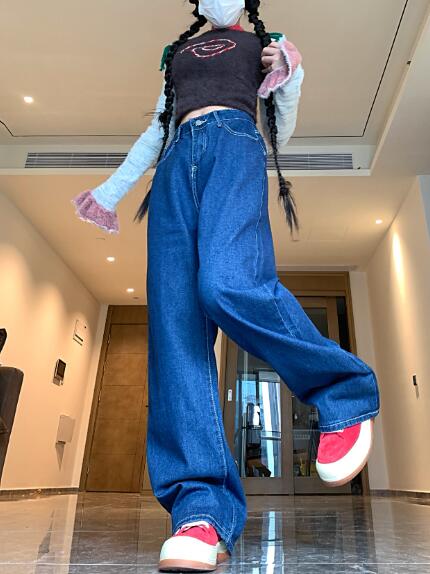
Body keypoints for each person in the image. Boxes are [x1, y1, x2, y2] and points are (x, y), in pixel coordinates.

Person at [71, 1, 380, 571]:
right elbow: (157, 129)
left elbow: (281, 127)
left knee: (227, 285)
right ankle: (199, 512)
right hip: (174, 166)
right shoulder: (178, 53)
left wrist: (291, 75)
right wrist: (111, 191)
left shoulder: (266, 44)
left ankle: (343, 393)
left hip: (235, 144)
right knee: (176, 330)